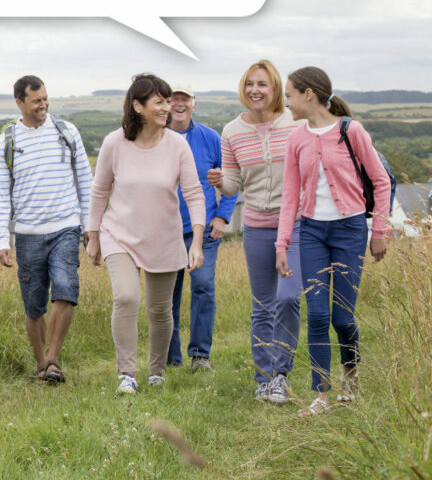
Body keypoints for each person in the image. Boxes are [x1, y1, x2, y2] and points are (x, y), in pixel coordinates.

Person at [275, 66, 390, 417]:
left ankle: (351, 376)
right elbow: (291, 195)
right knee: (318, 314)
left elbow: (381, 182)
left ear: (309, 94)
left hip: (350, 231)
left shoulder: (351, 131)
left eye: (290, 95)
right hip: (311, 233)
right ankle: (321, 394)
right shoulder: (296, 138)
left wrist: (380, 232)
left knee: (342, 318)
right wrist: (282, 245)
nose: (287, 102)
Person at [87, 74, 205, 395]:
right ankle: (127, 372)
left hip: (165, 236)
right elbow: (100, 191)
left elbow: (194, 193)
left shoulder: (177, 145)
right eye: (159, 102)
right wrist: (93, 235)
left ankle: (156, 371)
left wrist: (196, 240)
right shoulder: (115, 142)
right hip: (119, 233)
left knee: (159, 310)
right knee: (126, 296)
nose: (167, 107)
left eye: (168, 101)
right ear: (137, 106)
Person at [207, 60, 302, 405]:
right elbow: (234, 184)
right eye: (249, 84)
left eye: (262, 84)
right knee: (263, 305)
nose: (254, 90)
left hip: (295, 224)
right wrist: (221, 181)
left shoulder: (296, 124)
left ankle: (282, 372)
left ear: (275, 88)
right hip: (257, 226)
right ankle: (264, 379)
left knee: (289, 297)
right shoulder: (231, 131)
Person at [0, 75, 94, 384]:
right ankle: (40, 364)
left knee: (65, 288)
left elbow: (85, 182)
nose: (43, 105)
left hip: (66, 226)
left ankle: (52, 360)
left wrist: (89, 226)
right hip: (27, 233)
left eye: (46, 98)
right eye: (36, 101)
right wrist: (1, 241)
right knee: (34, 303)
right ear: (20, 103)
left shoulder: (66, 132)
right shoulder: (6, 141)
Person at [166, 82, 239, 372]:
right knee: (167, 295)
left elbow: (232, 180)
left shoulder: (211, 138)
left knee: (204, 287)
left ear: (193, 103)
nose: (179, 104)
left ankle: (200, 356)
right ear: (165, 103)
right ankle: (170, 358)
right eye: (173, 99)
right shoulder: (156, 137)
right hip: (166, 229)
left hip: (205, 230)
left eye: (185, 99)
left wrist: (222, 217)